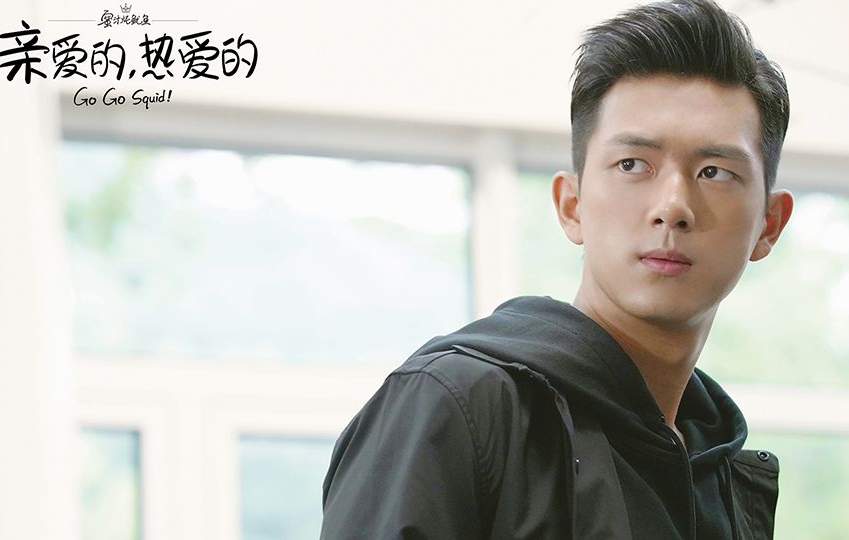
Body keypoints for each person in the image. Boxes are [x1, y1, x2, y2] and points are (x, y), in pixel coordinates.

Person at [320, 0, 794, 537]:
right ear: (571, 206)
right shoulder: (460, 406)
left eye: (714, 171)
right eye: (632, 164)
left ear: (769, 224)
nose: (672, 206)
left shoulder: (715, 473)